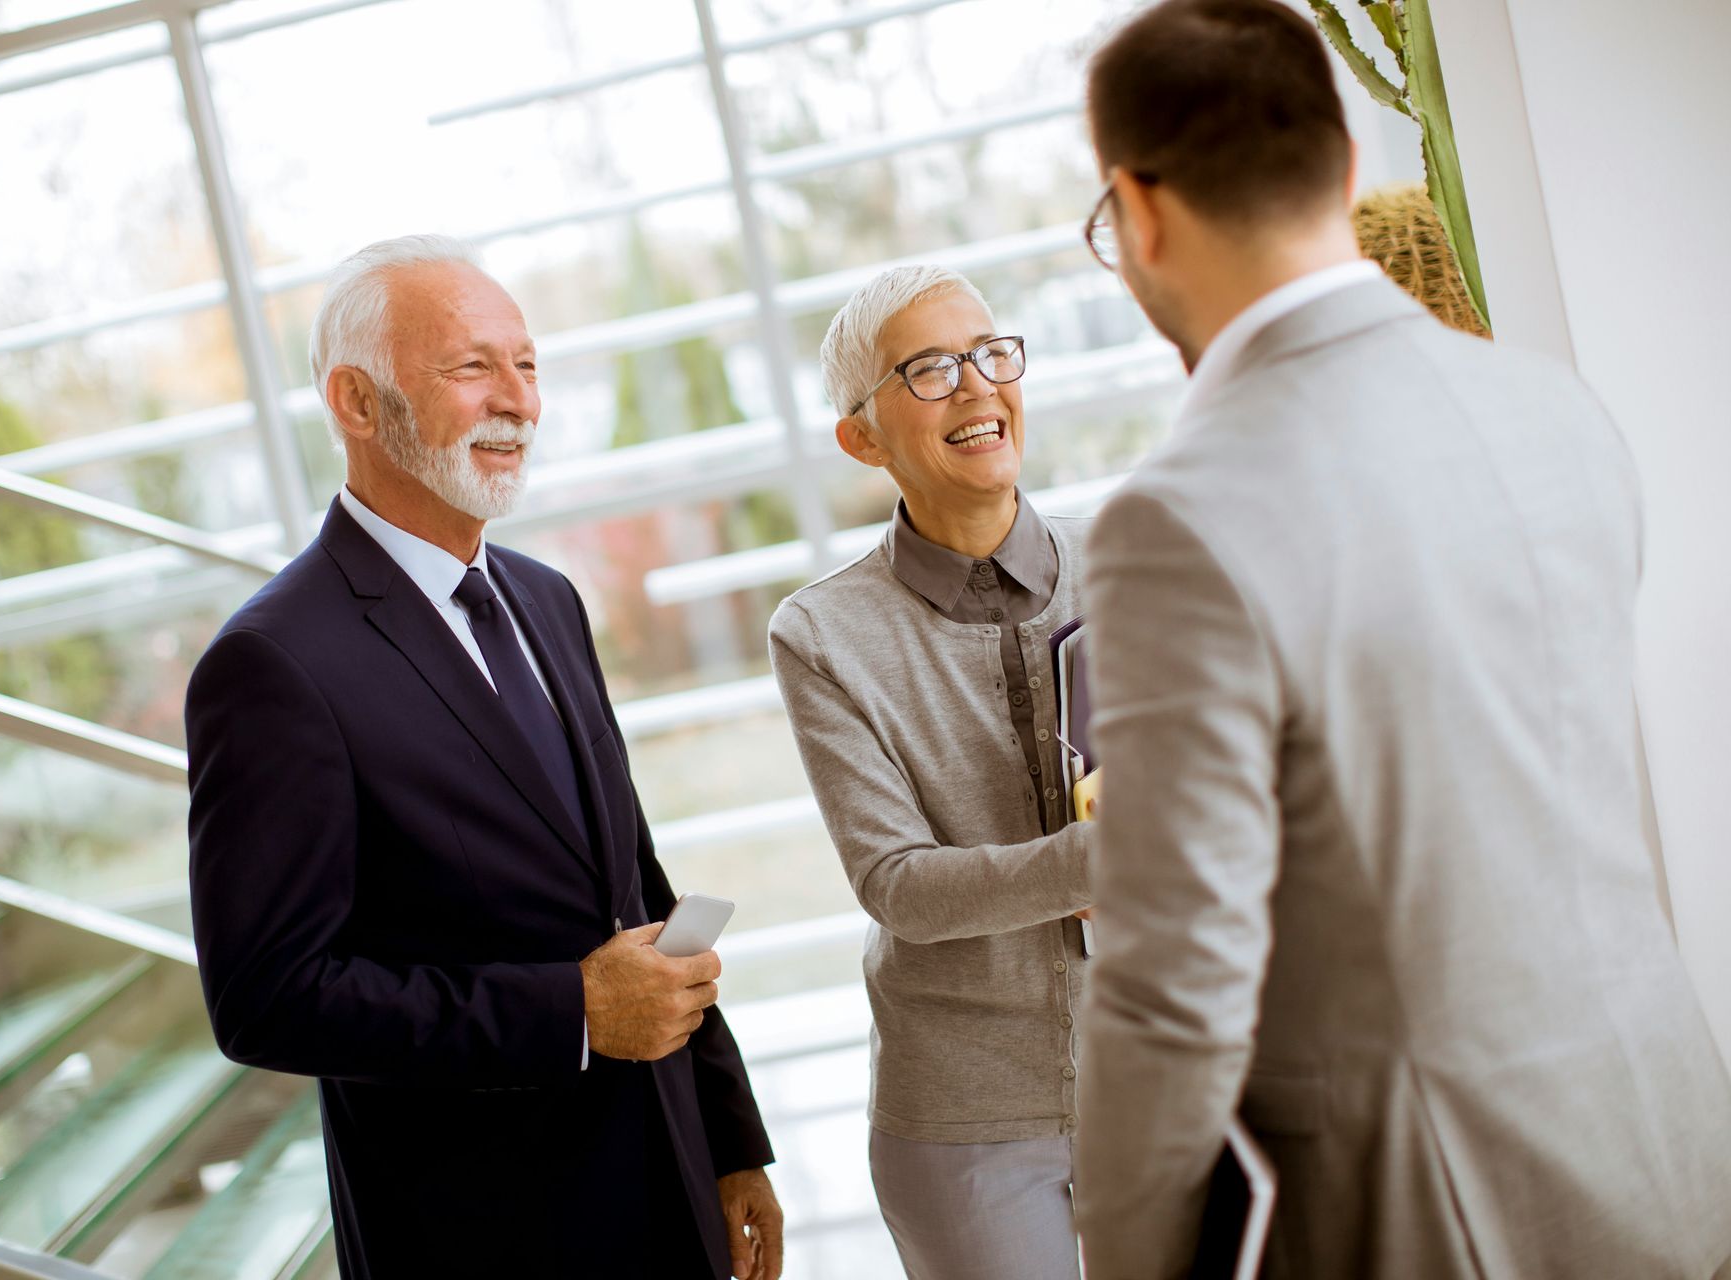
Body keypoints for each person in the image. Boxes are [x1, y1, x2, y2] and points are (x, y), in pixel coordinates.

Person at [1070, 3, 1731, 1277]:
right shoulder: (1555, 406)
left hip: (1446, 1214)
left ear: (1138, 212)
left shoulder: (1180, 517)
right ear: (1344, 163)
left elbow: (1172, 987)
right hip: (1676, 1149)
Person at [185, 234, 783, 1280]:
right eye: (473, 367)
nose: (520, 401)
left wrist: (731, 1136)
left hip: (667, 1179)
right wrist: (571, 1013)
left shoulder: (547, 597)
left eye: (530, 364)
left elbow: (635, 883)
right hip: (479, 1232)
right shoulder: (274, 663)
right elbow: (268, 992)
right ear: (357, 403)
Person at [768, 265, 1098, 1279]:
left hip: (1171, 1081)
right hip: (966, 1126)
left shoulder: (1135, 564)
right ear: (861, 436)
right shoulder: (823, 631)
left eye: (993, 353)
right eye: (928, 368)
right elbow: (897, 883)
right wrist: (1104, 857)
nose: (976, 384)